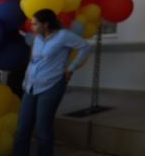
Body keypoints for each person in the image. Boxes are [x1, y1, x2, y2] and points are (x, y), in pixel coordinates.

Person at [13, 9, 91, 156]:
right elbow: (35, 61)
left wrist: (71, 69)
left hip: (52, 85)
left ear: (46, 24)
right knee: (23, 127)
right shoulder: (37, 39)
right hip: (30, 86)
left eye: (35, 24)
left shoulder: (63, 36)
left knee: (43, 129)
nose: (32, 27)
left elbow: (85, 47)